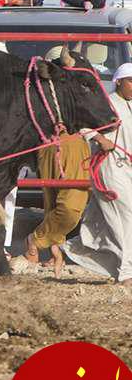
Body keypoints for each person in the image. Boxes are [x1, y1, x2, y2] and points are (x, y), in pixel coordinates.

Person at [62, 63, 132, 286]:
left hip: (128, 167)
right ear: (119, 81)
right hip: (108, 166)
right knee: (127, 215)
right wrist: (100, 139)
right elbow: (81, 123)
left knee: (105, 220)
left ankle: (73, 248)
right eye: (130, 80)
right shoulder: (106, 102)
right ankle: (127, 272)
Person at [12, 130, 92, 279]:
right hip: (47, 140)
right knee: (54, 203)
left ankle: (35, 241)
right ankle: (53, 249)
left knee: (70, 207)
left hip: (74, 138)